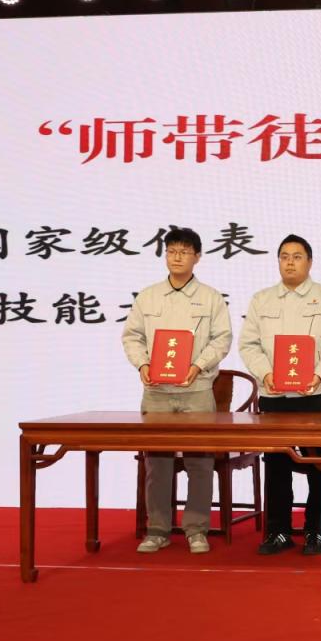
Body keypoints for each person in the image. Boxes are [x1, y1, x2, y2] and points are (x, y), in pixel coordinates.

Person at [238, 235, 321, 556]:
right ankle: (278, 531)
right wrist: (265, 374)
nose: (290, 262)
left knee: (319, 467)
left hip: (313, 396)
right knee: (276, 465)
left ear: (309, 262)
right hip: (274, 396)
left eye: (297, 256)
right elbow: (248, 344)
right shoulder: (262, 300)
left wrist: (319, 374)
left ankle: (317, 531)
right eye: (284, 256)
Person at [120, 226, 233, 554]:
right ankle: (157, 529)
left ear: (197, 257)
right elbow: (132, 336)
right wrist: (142, 364)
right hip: (157, 392)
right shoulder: (148, 296)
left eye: (184, 252)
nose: (177, 257)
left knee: (200, 463)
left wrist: (198, 365)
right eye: (171, 251)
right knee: (157, 464)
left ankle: (196, 529)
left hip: (196, 390)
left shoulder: (211, 298)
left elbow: (222, 338)